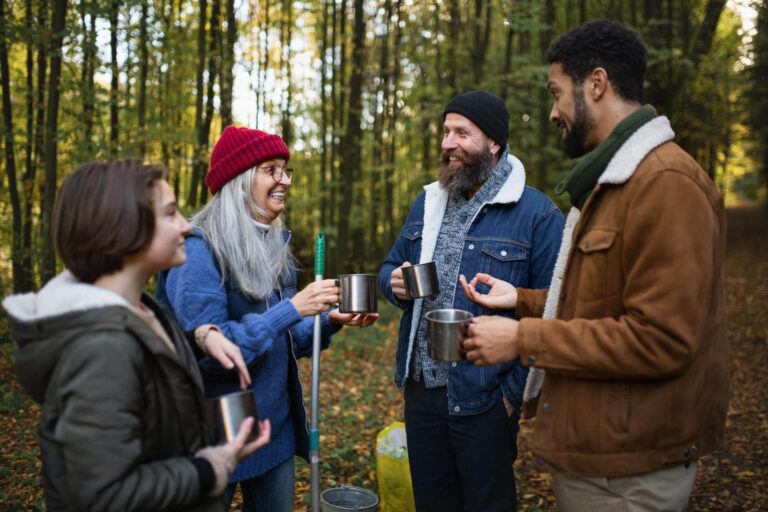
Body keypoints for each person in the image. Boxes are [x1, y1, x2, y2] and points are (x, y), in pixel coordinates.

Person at [460, 20, 728, 512]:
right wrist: (520, 300)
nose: (552, 111)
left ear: (597, 84)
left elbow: (663, 339)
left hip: (631, 472)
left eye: (557, 93)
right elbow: (603, 300)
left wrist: (523, 339)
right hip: (603, 459)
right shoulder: (613, 181)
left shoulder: (666, 184)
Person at [2, 160, 271, 511]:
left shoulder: (142, 310)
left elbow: (151, 379)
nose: (187, 226)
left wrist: (201, 335)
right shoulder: (100, 348)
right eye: (171, 213)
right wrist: (209, 468)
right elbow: (102, 495)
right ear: (125, 228)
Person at [157, 125, 378, 512]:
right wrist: (292, 308)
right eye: (271, 169)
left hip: (272, 429)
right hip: (213, 433)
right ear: (240, 180)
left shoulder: (273, 245)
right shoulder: (198, 250)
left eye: (286, 170)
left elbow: (284, 336)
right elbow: (213, 350)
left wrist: (329, 321)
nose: (284, 180)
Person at [378, 90, 565, 511]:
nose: (448, 143)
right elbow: (388, 268)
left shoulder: (536, 213)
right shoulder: (427, 203)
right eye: (446, 131)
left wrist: (510, 397)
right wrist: (394, 284)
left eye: (462, 132)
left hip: (485, 398)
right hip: (422, 394)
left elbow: (558, 308)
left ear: (494, 143)